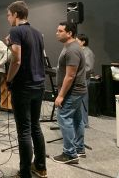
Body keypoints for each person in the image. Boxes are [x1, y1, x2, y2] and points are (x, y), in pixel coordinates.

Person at [5, 1, 47, 178]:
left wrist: (8, 79)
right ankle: (40, 167)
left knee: (23, 131)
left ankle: (24, 173)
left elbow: (17, 59)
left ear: (15, 14)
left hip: (23, 87)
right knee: (35, 127)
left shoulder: (15, 31)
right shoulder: (38, 33)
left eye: (8, 15)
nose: (8, 18)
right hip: (39, 85)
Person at [53, 22, 86, 164]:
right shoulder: (70, 47)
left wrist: (60, 96)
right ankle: (79, 148)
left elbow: (70, 76)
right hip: (77, 91)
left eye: (60, 31)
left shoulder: (72, 49)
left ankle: (70, 154)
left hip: (72, 92)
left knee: (63, 118)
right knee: (77, 119)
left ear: (69, 33)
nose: (57, 33)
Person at [76, 34, 95, 128]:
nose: (75, 42)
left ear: (83, 41)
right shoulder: (81, 51)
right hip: (79, 78)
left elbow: (89, 68)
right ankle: (80, 121)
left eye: (77, 40)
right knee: (79, 101)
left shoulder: (88, 52)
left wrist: (76, 73)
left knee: (83, 101)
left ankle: (84, 122)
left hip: (83, 79)